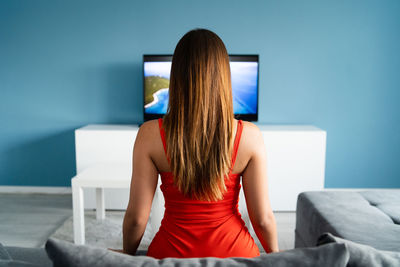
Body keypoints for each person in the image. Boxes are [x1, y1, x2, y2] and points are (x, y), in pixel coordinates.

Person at [122, 29, 279, 258]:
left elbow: (137, 218)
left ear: (177, 76)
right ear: (223, 76)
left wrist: (127, 256)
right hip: (236, 255)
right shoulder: (249, 136)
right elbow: (263, 219)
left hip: (170, 256)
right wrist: (278, 258)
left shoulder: (149, 134)